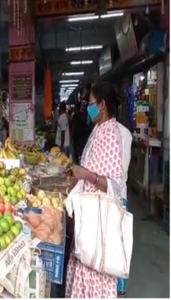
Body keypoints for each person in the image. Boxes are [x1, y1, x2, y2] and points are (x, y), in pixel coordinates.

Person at [65, 81, 132, 298]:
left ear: (102, 105)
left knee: (92, 273)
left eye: (91, 103)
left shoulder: (111, 134)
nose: (87, 107)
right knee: (83, 267)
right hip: (88, 220)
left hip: (97, 225)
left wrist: (85, 175)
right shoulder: (98, 130)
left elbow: (112, 184)